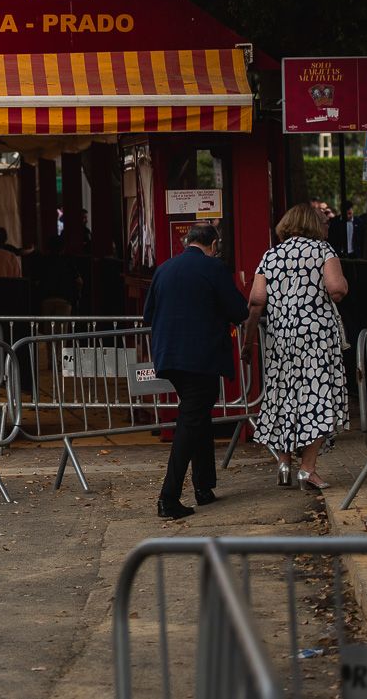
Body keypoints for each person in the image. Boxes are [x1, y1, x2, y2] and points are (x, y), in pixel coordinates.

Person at [142, 222, 249, 519]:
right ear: (213, 245)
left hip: (169, 356)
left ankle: (204, 486)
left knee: (198, 416)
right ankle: (169, 496)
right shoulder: (213, 269)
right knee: (191, 421)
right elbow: (238, 310)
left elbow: (148, 313)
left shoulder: (164, 269)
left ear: (187, 241)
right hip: (201, 357)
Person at [241, 201, 349, 492]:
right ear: (314, 224)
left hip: (281, 338)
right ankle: (308, 470)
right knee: (317, 398)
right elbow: (336, 289)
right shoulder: (323, 251)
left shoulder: (271, 255)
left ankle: (284, 464)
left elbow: (256, 298)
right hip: (315, 338)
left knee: (284, 398)